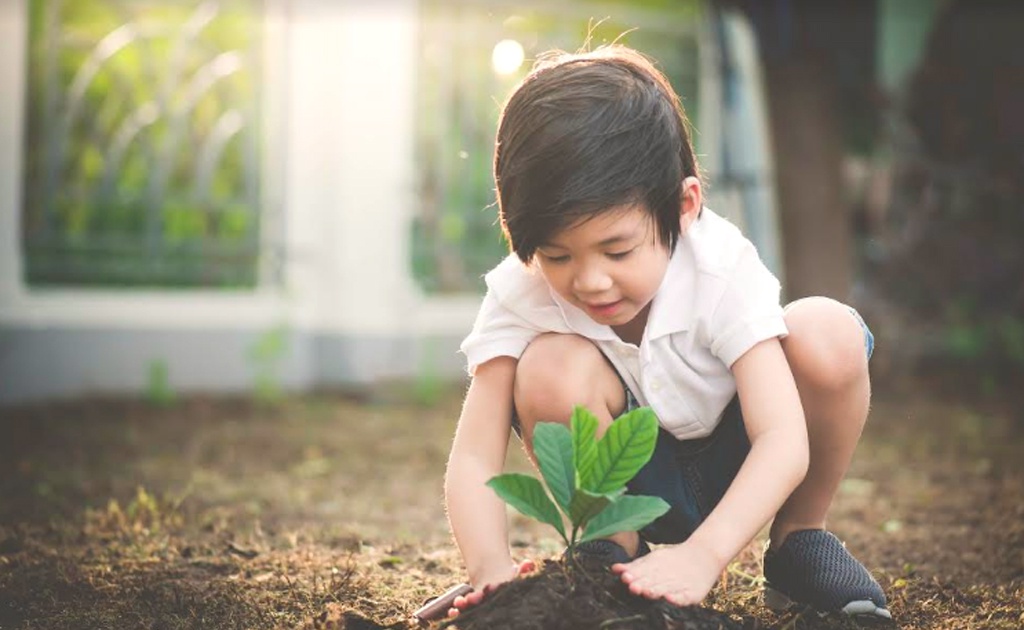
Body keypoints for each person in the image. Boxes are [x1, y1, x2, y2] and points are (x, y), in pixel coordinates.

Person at [443, 44, 890, 621]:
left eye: (617, 249)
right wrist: (489, 570)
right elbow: (475, 456)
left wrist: (704, 556)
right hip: (626, 481)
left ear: (684, 206)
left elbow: (782, 438)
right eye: (557, 255)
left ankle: (800, 541)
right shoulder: (521, 290)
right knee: (548, 366)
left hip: (744, 466)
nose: (590, 280)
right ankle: (611, 545)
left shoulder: (719, 266)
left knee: (827, 330)